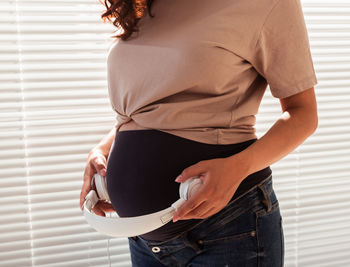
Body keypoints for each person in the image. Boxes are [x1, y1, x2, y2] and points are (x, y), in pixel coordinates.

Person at [80, 0, 318, 266]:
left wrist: (239, 167)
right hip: (143, 239)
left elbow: (303, 115)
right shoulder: (146, 5)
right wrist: (104, 148)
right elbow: (149, 110)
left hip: (227, 229)